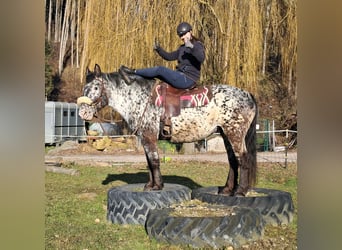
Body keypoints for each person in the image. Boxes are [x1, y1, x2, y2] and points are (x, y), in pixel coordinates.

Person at [120, 22, 205, 89]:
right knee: (157, 74)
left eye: (184, 34)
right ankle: (132, 77)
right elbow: (169, 56)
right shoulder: (182, 48)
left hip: (188, 79)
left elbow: (201, 58)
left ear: (190, 32)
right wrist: (159, 49)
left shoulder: (197, 45)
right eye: (181, 35)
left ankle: (133, 71)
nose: (183, 37)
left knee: (160, 69)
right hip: (179, 74)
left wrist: (191, 46)